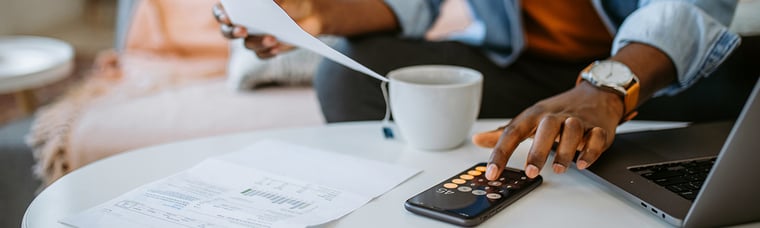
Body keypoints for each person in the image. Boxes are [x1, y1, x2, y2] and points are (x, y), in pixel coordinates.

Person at [213, 0, 742, 181]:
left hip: (655, 71)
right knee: (348, 72)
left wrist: (606, 87)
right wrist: (308, 13)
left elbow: (692, 9)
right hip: (526, 69)